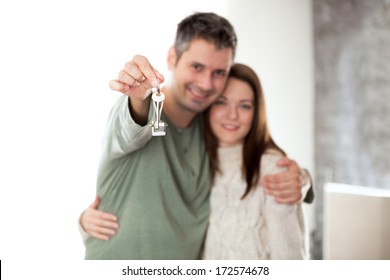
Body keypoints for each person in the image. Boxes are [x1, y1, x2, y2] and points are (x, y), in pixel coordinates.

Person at [80, 12, 312, 260]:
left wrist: (303, 181)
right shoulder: (140, 111)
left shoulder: (212, 128)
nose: (205, 83)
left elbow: (256, 159)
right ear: (172, 58)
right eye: (197, 67)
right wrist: (138, 97)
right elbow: (132, 125)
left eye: (219, 72)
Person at [202, 63, 306, 259]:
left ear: (256, 112)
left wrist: (304, 181)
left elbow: (289, 260)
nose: (232, 115)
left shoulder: (274, 169)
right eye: (221, 102)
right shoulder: (199, 161)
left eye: (244, 106)